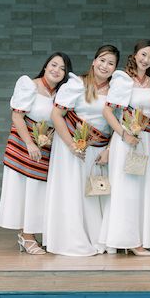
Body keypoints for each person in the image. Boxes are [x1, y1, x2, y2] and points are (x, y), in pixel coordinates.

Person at [44, 45, 119, 256]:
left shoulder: (116, 90)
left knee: (95, 195)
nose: (105, 66)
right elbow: (56, 115)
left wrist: (110, 149)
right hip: (72, 148)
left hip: (99, 150)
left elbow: (119, 123)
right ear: (94, 61)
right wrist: (72, 146)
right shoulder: (77, 84)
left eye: (111, 63)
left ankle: (98, 238)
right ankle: (72, 239)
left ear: (115, 68)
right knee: (73, 193)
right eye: (102, 60)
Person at [0, 52, 72, 254]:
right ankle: (26, 236)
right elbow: (17, 116)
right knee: (24, 193)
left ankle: (31, 234)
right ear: (45, 66)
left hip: (45, 149)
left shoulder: (60, 94)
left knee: (38, 194)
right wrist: (30, 143)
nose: (56, 70)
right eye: (53, 65)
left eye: (62, 68)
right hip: (24, 147)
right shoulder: (29, 85)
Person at [99, 39, 150, 256]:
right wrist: (124, 134)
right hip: (126, 140)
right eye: (143, 55)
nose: (146, 60)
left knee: (142, 190)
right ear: (135, 54)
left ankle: (139, 237)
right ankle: (127, 240)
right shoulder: (123, 80)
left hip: (147, 141)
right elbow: (108, 112)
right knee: (126, 190)